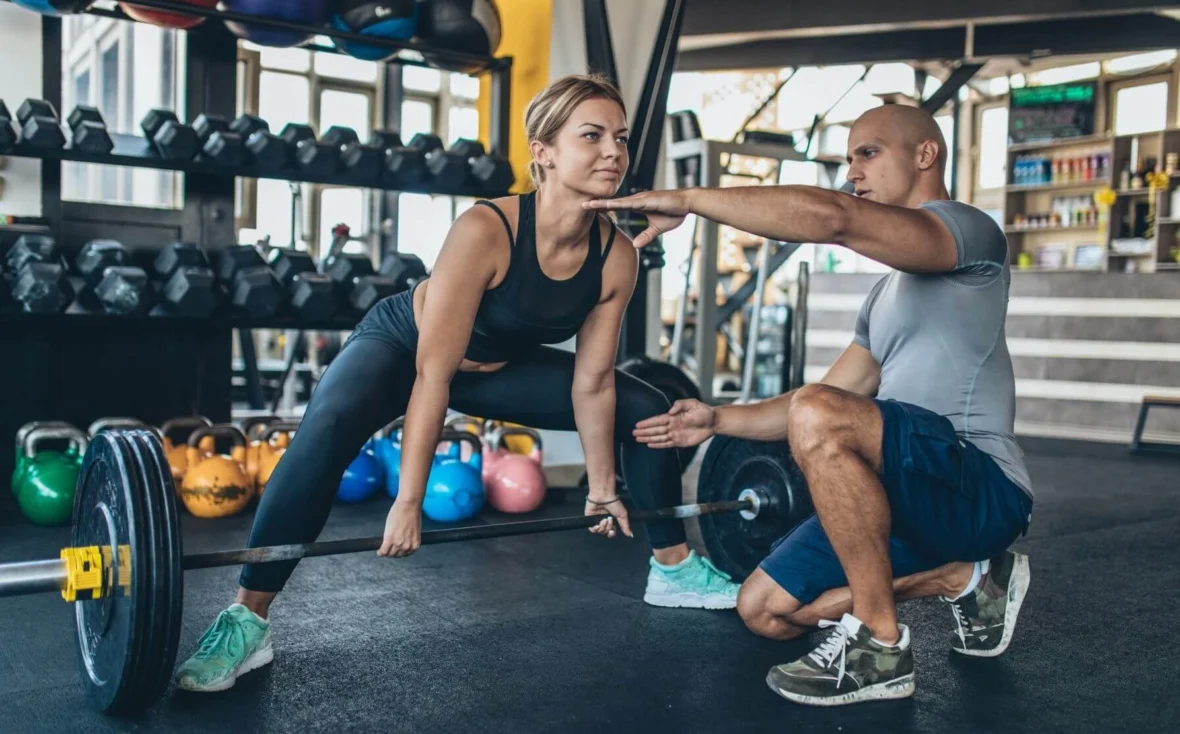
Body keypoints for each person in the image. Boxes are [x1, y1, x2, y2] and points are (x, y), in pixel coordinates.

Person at [175, 74, 740, 693]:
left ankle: (673, 567)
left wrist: (604, 485)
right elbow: (432, 374)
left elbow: (594, 382)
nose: (614, 151)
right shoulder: (486, 229)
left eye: (621, 138)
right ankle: (246, 620)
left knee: (646, 408)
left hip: (497, 371)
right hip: (403, 349)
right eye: (593, 135)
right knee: (325, 433)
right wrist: (409, 501)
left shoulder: (617, 256)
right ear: (544, 151)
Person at [586, 104, 1034, 707]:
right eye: (849, 159)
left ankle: (881, 645)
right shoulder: (884, 296)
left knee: (819, 412)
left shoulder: (972, 235)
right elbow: (821, 399)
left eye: (867, 153)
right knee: (764, 610)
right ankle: (964, 579)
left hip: (978, 485)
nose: (853, 172)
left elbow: (832, 218)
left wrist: (690, 199)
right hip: (903, 490)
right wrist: (718, 420)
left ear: (925, 155)